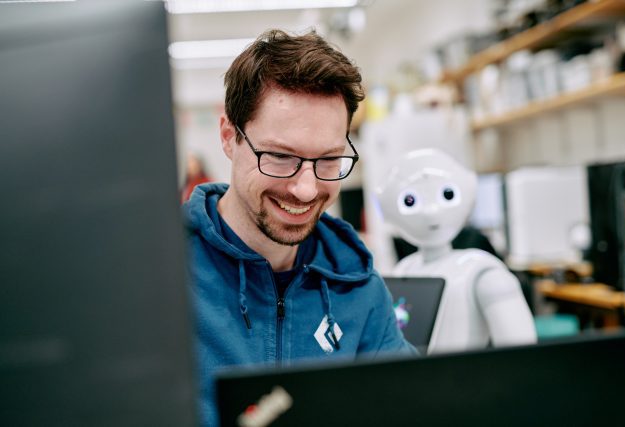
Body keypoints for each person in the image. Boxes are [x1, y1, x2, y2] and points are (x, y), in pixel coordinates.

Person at [182, 29, 415, 426]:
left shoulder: (356, 283)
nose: (305, 189)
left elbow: (413, 406)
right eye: (279, 156)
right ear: (228, 137)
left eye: (328, 160)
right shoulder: (159, 274)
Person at [376, 148, 537, 355]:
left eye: (447, 195)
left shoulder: (483, 274)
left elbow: (521, 355)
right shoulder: (404, 270)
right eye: (410, 201)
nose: (431, 211)